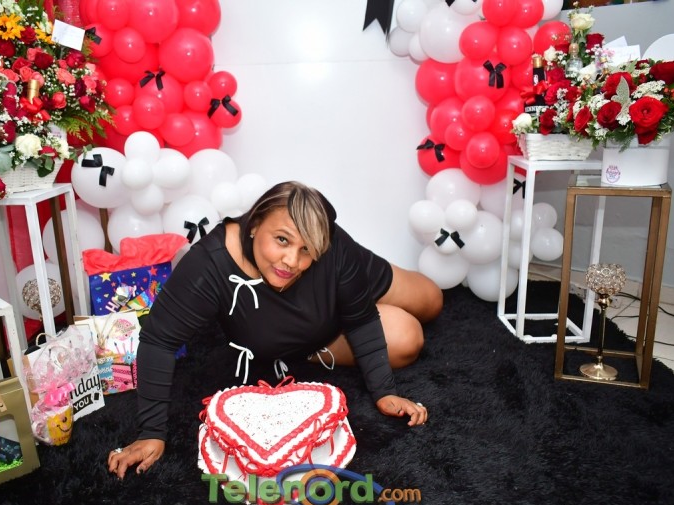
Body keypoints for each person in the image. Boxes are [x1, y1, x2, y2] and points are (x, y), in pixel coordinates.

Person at [108, 181, 443, 479]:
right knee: (407, 337)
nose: (291, 261)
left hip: (344, 278)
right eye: (282, 240)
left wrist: (384, 392)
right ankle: (306, 346)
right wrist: (151, 432)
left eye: (306, 249)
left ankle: (344, 292)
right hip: (309, 331)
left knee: (432, 299)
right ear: (254, 224)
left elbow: (361, 319)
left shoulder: (331, 248)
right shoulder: (209, 262)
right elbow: (159, 339)